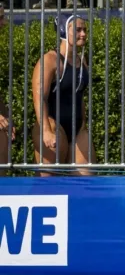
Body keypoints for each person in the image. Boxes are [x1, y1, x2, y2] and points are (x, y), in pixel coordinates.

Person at [31, 13, 92, 167]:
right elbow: (40, 97)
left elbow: (80, 94)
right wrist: (46, 130)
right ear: (64, 30)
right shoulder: (50, 60)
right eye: (78, 30)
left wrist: (83, 124)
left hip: (77, 127)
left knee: (86, 183)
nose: (83, 34)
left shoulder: (81, 61)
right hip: (53, 124)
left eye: (84, 29)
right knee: (48, 181)